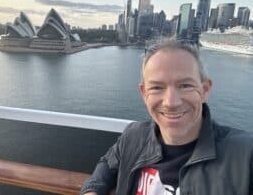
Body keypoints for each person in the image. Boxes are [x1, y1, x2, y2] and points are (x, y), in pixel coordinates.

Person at [80, 40, 253, 195]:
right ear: (144, 93)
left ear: (205, 90)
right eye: (157, 87)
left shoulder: (245, 155)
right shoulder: (133, 135)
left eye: (185, 85)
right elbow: (106, 167)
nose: (171, 102)